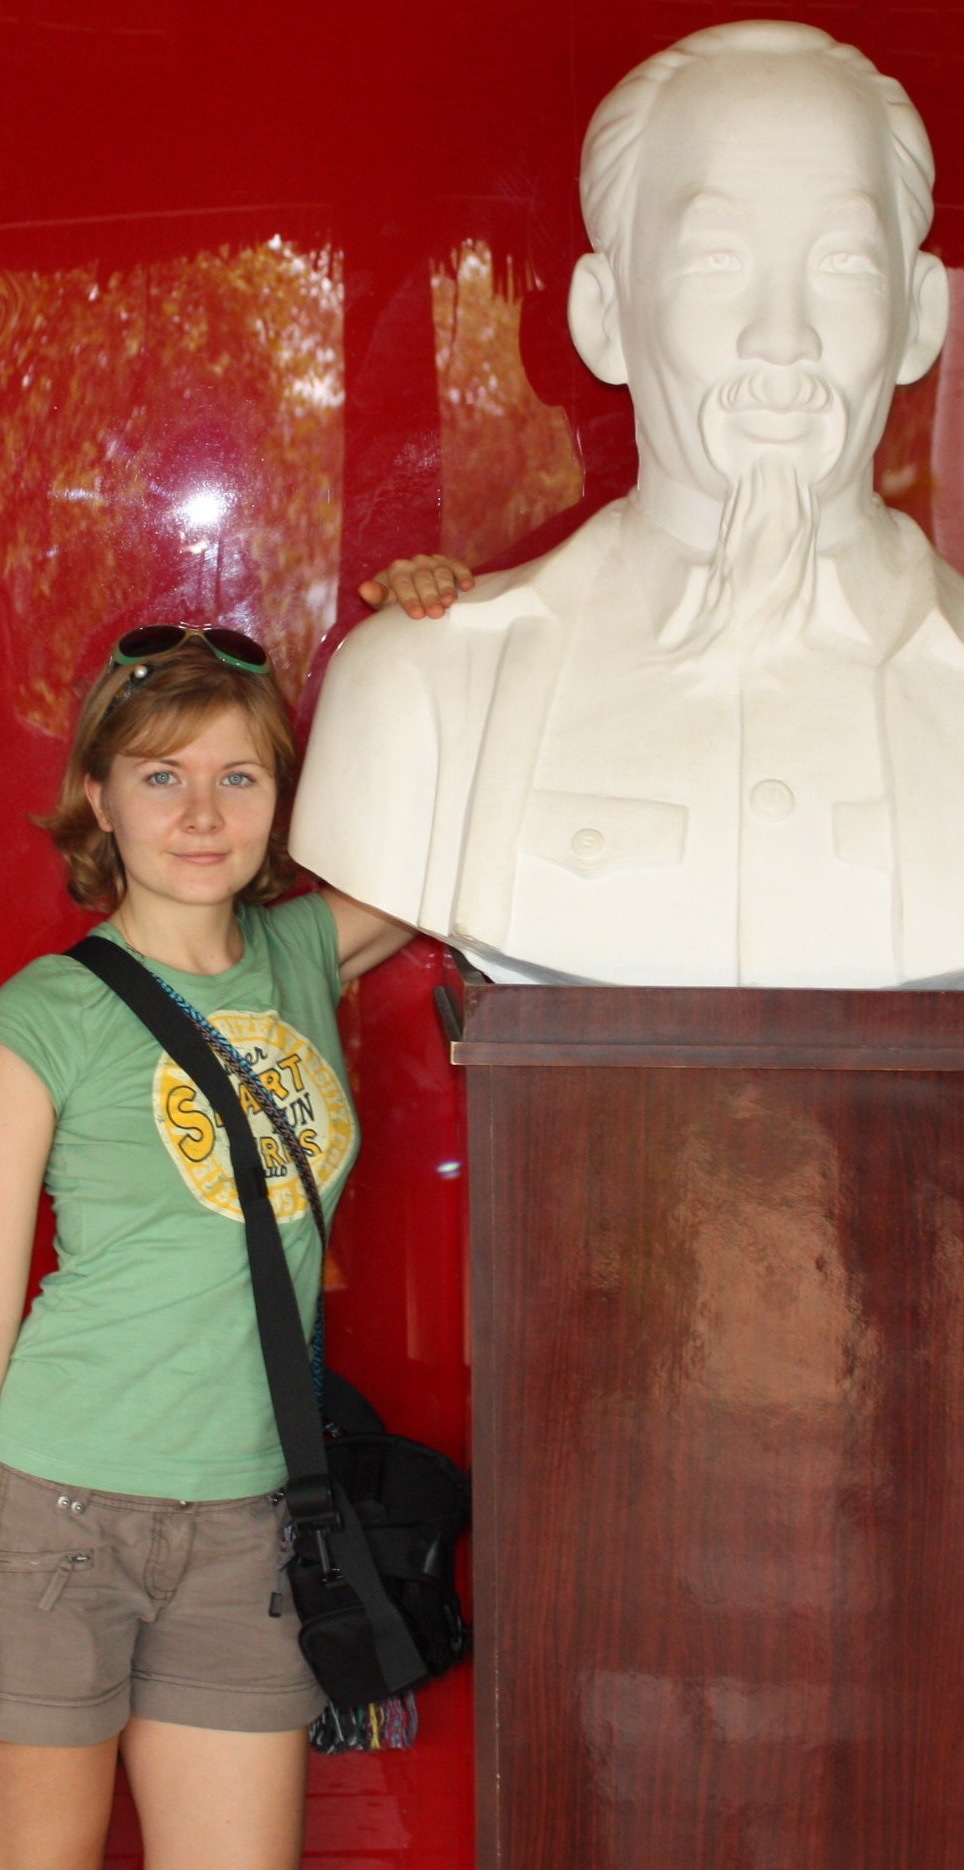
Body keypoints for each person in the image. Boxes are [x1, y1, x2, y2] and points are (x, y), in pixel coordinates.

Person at [290, 19, 964, 991]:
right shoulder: (426, 694)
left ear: (921, 318)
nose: (783, 337)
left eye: (843, 265)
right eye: (717, 261)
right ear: (603, 316)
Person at [0, 560, 464, 1870]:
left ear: (280, 800)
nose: (202, 813)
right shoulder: (44, 1014)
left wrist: (440, 630)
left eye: (239, 776)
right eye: (162, 775)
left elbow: (464, 826)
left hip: (254, 1521)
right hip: (51, 1516)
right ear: (101, 797)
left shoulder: (305, 953)